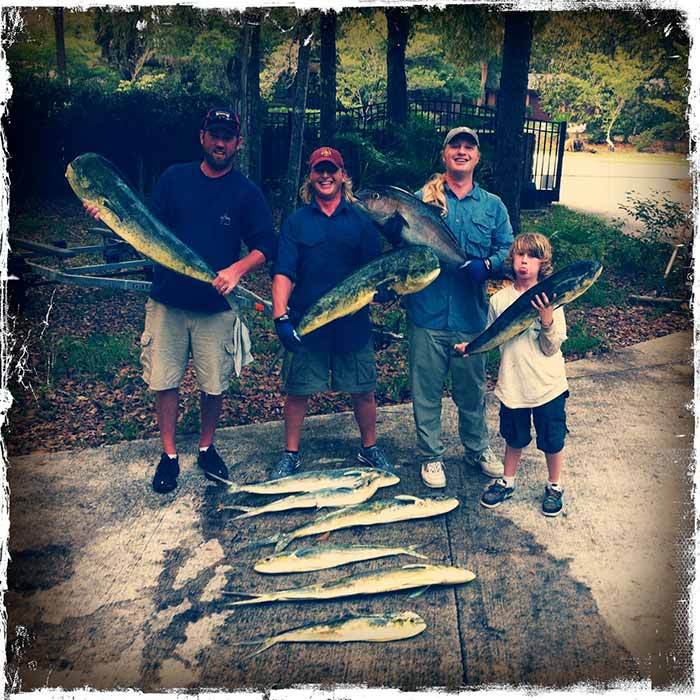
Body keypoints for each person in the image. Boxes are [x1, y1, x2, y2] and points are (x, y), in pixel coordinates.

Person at [85, 106, 276, 494]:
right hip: (168, 302)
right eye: (214, 134)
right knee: (164, 380)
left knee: (213, 384)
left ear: (237, 143)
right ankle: (169, 455)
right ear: (202, 137)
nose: (220, 142)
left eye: (228, 136)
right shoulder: (174, 179)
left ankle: (207, 447)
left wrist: (237, 270)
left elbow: (265, 246)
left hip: (215, 307)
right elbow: (146, 229)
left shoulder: (246, 192)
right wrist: (108, 218)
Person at [270, 146, 396, 479]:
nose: (325, 176)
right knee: (297, 391)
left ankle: (369, 447)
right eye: (318, 170)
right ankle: (291, 453)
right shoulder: (296, 222)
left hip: (352, 324)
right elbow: (283, 272)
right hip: (307, 322)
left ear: (343, 176)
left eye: (332, 170)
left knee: (364, 390)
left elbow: (375, 267)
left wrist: (383, 290)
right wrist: (281, 317)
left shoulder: (361, 220)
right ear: (310, 177)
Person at [404, 126, 513, 489]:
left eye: (469, 147)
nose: (462, 151)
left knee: (472, 391)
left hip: (471, 315)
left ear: (477, 157)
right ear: (444, 154)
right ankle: (431, 455)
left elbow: (508, 250)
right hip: (427, 311)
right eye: (455, 146)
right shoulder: (425, 198)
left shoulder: (493, 205)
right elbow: (403, 245)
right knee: (427, 390)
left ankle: (477, 448)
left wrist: (490, 265)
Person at [454, 232, 568, 517]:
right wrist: (472, 347)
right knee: (513, 437)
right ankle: (508, 480)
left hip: (547, 386)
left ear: (543, 263)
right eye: (520, 255)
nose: (524, 262)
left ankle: (555, 486)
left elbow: (551, 347)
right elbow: (491, 335)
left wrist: (547, 319)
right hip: (513, 384)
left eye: (532, 256)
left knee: (551, 439)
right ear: (512, 259)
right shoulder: (499, 299)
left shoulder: (551, 298)